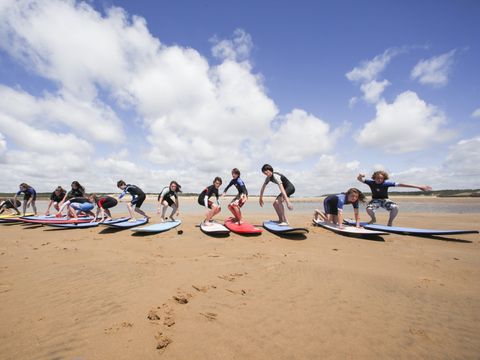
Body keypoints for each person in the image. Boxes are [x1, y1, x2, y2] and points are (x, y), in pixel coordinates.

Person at [357, 171, 432, 226]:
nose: (379, 180)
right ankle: (373, 219)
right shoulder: (371, 182)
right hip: (375, 200)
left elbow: (401, 184)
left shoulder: (386, 184)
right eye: (377, 178)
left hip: (384, 200)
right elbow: (359, 179)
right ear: (374, 178)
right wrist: (360, 176)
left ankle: (390, 222)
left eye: (381, 178)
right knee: (369, 209)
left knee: (395, 207)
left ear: (384, 179)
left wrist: (418, 187)